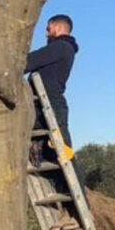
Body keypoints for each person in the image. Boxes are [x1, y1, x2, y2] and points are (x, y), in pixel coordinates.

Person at [25, 14, 79, 156]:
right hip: (47, 107)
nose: (46, 34)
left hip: (51, 107)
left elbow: (27, 61)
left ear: (59, 27)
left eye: (49, 29)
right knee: (54, 157)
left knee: (64, 156)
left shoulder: (61, 47)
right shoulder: (63, 49)